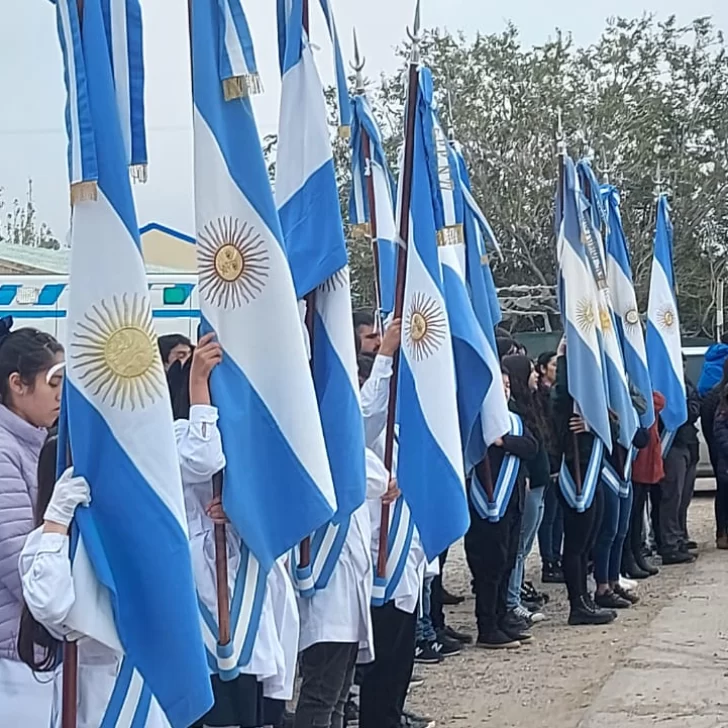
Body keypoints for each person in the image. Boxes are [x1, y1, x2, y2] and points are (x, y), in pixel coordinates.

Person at [172, 336, 298, 728]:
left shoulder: (243, 440)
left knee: (258, 697)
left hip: (250, 574)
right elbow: (203, 459)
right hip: (205, 580)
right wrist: (198, 385)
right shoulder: (175, 433)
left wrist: (242, 506)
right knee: (222, 700)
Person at [18, 435, 174, 728]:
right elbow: (52, 607)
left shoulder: (131, 534)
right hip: (93, 701)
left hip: (145, 693)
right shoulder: (42, 543)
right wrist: (57, 521)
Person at [0, 322, 64, 726]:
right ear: (18, 385)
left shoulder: (37, 441)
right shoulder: (5, 453)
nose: (62, 393)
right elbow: (18, 565)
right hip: (15, 651)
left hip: (35, 643)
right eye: (53, 381)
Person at [465, 366, 539, 648]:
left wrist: (504, 441)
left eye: (508, 385)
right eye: (500, 386)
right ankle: (487, 625)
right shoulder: (476, 423)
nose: (505, 390)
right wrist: (497, 440)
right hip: (486, 504)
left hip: (513, 501)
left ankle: (501, 617)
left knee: (507, 562)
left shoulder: (514, 421)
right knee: (489, 567)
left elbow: (531, 447)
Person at [551, 342, 616, 626]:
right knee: (576, 545)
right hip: (575, 470)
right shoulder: (564, 402)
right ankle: (577, 603)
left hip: (593, 470)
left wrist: (593, 424)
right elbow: (565, 395)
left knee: (589, 540)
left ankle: (586, 597)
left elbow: (615, 428)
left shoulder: (595, 405)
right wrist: (565, 358)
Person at [501, 355, 550, 626]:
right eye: (531, 371)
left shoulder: (531, 405)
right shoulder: (514, 412)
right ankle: (512, 602)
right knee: (517, 546)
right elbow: (526, 447)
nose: (536, 375)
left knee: (523, 546)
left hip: (540, 485)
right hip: (527, 484)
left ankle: (515, 595)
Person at [593, 415, 649, 609]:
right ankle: (603, 586)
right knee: (608, 530)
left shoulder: (628, 396)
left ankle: (614, 580)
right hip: (608, 465)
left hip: (624, 465)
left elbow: (641, 436)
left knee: (620, 530)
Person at [658, 371, 700, 565]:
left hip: (688, 442)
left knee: (684, 496)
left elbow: (694, 408)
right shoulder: (661, 380)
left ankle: (680, 536)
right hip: (671, 444)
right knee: (671, 495)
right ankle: (669, 544)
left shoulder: (686, 382)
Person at [626, 392, 665, 578]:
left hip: (647, 458)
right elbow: (652, 403)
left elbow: (658, 401)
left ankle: (636, 553)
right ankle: (628, 557)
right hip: (635, 461)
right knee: (630, 516)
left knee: (637, 513)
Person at [535, 351, 565, 584]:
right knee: (548, 515)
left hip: (558, 458)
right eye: (554, 365)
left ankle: (556, 556)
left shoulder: (554, 393)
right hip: (549, 461)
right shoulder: (541, 397)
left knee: (558, 514)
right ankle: (549, 560)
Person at [699, 359, 728, 548]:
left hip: (719, 452)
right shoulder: (716, 397)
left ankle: (722, 532)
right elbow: (713, 429)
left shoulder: (711, 394)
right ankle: (722, 532)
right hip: (723, 453)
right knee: (724, 491)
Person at [711, 385, 728, 553]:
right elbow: (720, 434)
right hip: (726, 463)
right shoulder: (722, 412)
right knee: (723, 497)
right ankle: (722, 533)